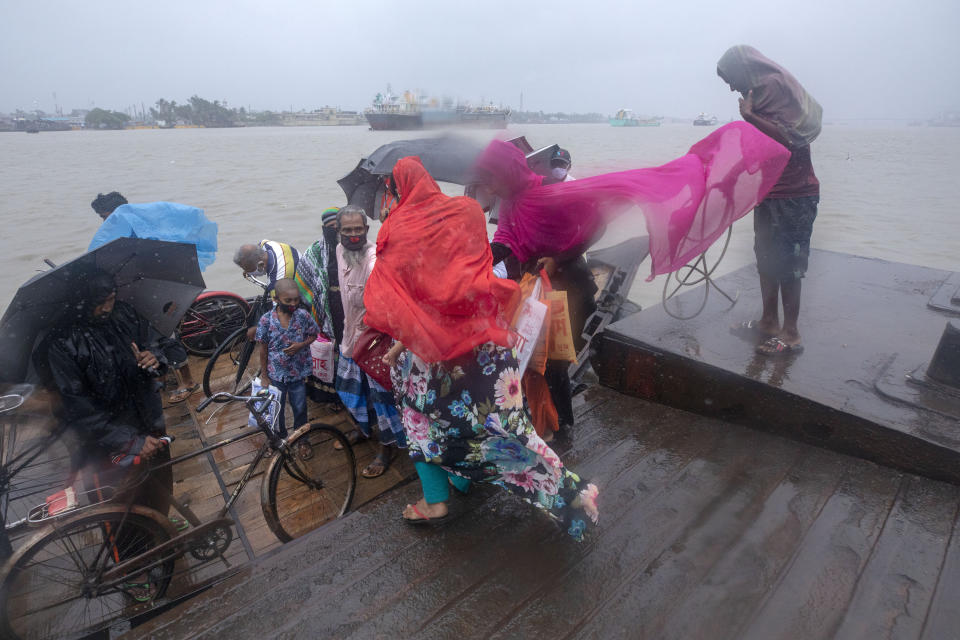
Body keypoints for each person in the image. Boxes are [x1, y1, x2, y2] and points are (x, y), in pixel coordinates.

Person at [366, 156, 599, 541]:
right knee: (508, 432)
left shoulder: (399, 229)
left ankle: (434, 503)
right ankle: (570, 491)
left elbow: (403, 305)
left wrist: (397, 348)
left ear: (397, 188)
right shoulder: (466, 212)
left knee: (423, 428)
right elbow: (470, 279)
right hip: (488, 350)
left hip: (433, 358)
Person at [44, 271, 178, 518]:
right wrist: (130, 442)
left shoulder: (125, 314)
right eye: (99, 302)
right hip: (106, 445)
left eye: (111, 298)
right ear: (82, 301)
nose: (107, 308)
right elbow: (77, 409)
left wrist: (154, 359)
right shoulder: (63, 343)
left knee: (159, 492)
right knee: (120, 512)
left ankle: (162, 529)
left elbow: (157, 346)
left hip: (149, 422)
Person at [717, 45, 822, 355]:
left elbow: (789, 139)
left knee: (789, 266)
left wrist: (748, 116)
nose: (733, 87)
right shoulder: (760, 98)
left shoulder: (777, 92)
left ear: (745, 71)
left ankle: (791, 334)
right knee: (766, 260)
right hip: (771, 193)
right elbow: (759, 150)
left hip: (796, 196)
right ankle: (768, 322)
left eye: (732, 79)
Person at [89, 194, 216, 403]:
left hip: (163, 291)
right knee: (150, 338)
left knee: (166, 335)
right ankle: (161, 378)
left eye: (105, 217)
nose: (104, 223)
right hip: (144, 292)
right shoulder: (124, 231)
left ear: (117, 212)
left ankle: (188, 382)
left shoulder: (141, 228)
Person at [334, 205, 407, 478]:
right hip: (349, 332)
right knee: (347, 386)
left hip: (375, 338)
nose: (353, 235)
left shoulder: (375, 259)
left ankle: (387, 447)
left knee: (382, 397)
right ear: (337, 231)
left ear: (367, 230)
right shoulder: (340, 250)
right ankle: (363, 428)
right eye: (347, 230)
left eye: (358, 230)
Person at [255, 279, 319, 443]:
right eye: (288, 301)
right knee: (276, 409)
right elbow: (263, 349)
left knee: (300, 408)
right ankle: (279, 439)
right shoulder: (266, 320)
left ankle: (302, 440)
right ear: (276, 299)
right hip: (276, 376)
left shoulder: (303, 316)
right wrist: (264, 376)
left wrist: (301, 345)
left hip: (298, 374)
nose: (293, 304)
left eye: (296, 299)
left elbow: (313, 335)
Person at [294, 207, 345, 405]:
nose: (336, 231)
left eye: (338, 226)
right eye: (331, 227)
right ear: (324, 228)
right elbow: (302, 282)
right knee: (329, 352)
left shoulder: (355, 250)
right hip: (325, 312)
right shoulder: (314, 252)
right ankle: (332, 397)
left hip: (347, 310)